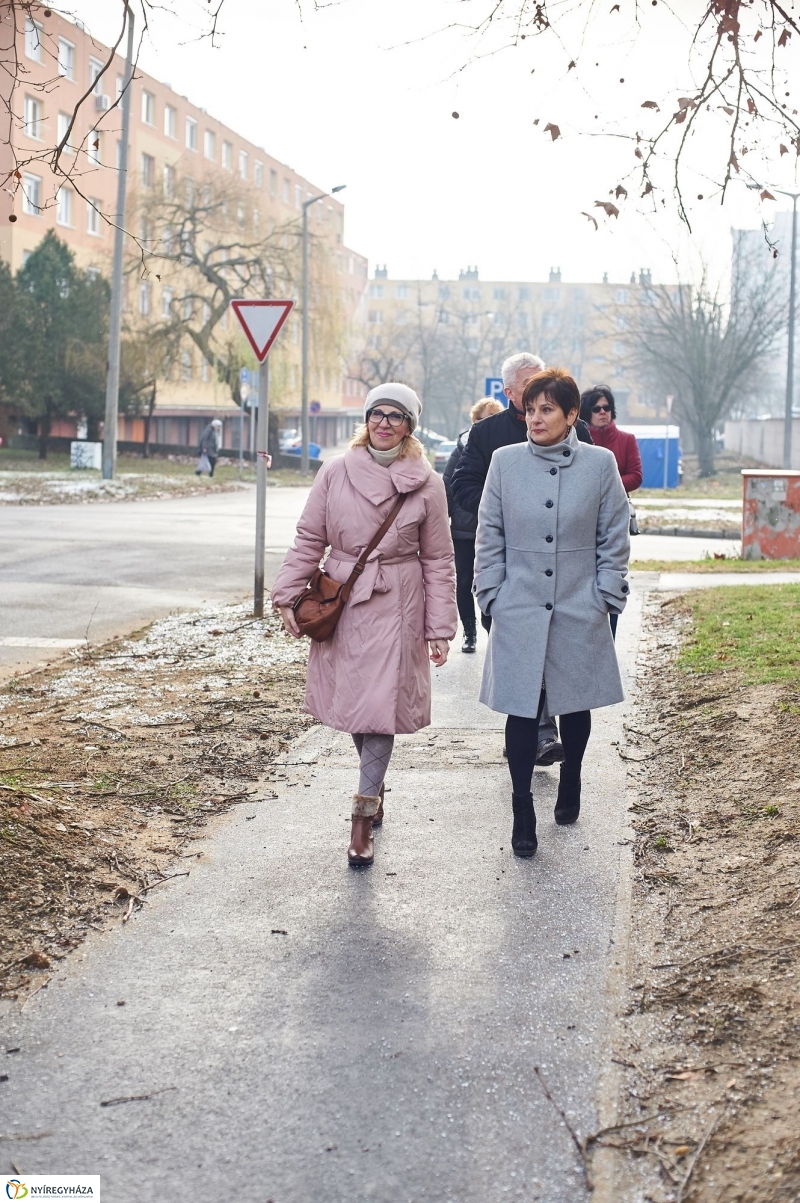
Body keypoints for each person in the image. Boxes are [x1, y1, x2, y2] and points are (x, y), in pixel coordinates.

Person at [271, 383, 457, 869]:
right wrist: (288, 594)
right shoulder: (335, 472)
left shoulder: (427, 483)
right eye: (378, 413)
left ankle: (361, 814)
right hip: (344, 597)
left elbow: (439, 559)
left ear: (410, 427)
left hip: (399, 601)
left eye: (397, 416)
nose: (385, 423)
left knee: (379, 708)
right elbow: (310, 537)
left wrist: (439, 626)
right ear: (366, 419)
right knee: (358, 706)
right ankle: (373, 786)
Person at [474, 368, 630, 858]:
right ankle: (522, 806)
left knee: (574, 699)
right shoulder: (503, 462)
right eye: (531, 408)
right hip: (518, 603)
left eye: (547, 409)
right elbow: (489, 535)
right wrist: (491, 595)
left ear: (570, 416)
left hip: (579, 600)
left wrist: (605, 595)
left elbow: (614, 535)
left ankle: (573, 776)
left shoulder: (600, 464)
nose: (534, 417)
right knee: (521, 705)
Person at [451, 352, 594, 765]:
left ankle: (543, 734)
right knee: (523, 659)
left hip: (563, 573)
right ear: (509, 393)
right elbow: (462, 485)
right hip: (512, 570)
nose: (537, 401)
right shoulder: (486, 435)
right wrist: (504, 513)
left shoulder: (577, 431)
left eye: (546, 395)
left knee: (553, 655)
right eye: (529, 392)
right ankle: (533, 734)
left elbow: (594, 492)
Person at [580, 385, 642, 638]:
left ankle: (610, 639)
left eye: (607, 407)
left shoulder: (627, 440)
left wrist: (608, 488)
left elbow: (636, 475)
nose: (603, 412)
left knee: (612, 575)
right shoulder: (580, 441)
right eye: (597, 408)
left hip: (615, 516)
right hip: (583, 516)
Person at [442, 396, 504, 653]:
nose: (485, 424)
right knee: (465, 580)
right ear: (473, 422)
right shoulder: (462, 448)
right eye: (481, 420)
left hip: (496, 531)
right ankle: (469, 633)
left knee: (493, 580)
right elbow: (447, 486)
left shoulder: (507, 447)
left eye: (491, 419)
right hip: (464, 530)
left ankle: (492, 628)